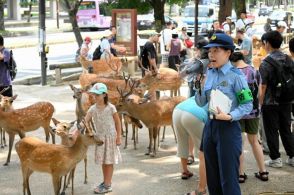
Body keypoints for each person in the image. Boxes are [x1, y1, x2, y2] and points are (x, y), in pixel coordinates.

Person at [194, 33, 253, 195]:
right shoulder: (209, 73)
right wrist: (198, 84)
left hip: (228, 128)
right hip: (210, 127)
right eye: (210, 51)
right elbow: (200, 103)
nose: (211, 55)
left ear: (228, 53)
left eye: (216, 51)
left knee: (228, 179)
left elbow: (248, 104)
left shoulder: (236, 76)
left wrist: (231, 116)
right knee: (212, 178)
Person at [230, 51, 269, 183]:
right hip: (253, 111)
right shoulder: (254, 71)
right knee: (254, 141)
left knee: (239, 143)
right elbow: (258, 92)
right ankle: (263, 172)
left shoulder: (232, 73)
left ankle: (241, 174)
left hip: (238, 112)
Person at [259, 31, 294, 168]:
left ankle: (276, 159)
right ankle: (292, 156)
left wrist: (260, 102)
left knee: (271, 130)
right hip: (287, 100)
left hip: (270, 101)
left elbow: (263, 85)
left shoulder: (266, 63)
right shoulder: (288, 59)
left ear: (267, 43)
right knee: (286, 128)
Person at [85, 83, 122, 194]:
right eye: (94, 95)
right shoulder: (92, 109)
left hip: (110, 138)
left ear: (104, 95)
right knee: (103, 161)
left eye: (97, 95)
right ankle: (105, 181)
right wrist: (75, 130)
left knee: (109, 161)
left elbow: (118, 122)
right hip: (100, 139)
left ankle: (107, 184)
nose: (95, 97)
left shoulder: (111, 108)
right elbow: (85, 121)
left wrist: (118, 136)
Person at [173, 97, 208, 195]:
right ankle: (203, 187)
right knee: (204, 151)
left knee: (182, 142)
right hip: (194, 115)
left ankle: (184, 171)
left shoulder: (201, 93)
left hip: (178, 110)